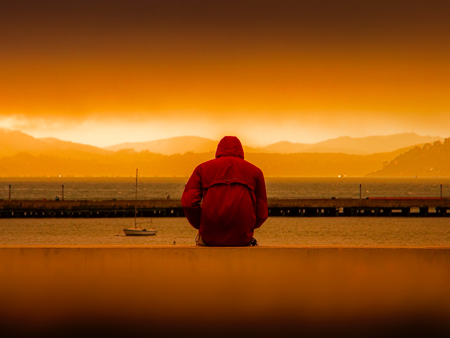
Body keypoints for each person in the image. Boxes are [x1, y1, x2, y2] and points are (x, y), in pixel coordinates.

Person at [182, 136, 268, 246]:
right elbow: (262, 211)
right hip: (242, 238)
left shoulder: (202, 169)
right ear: (241, 151)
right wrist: (248, 226)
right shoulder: (255, 172)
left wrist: (201, 224)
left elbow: (188, 203)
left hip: (209, 237)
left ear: (219, 150)